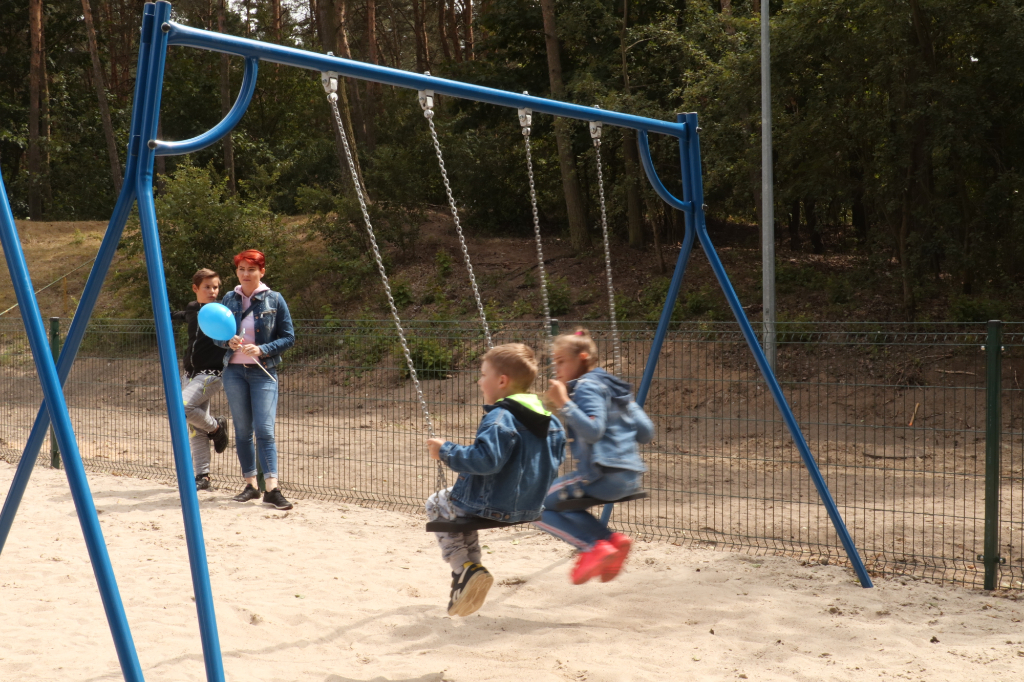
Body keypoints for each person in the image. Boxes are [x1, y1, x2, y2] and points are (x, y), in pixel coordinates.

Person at [426, 343, 566, 617]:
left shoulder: (499, 418)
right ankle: (472, 572)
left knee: (437, 503)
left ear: (502, 381)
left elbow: (485, 461)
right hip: (531, 506)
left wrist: (445, 450)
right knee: (458, 511)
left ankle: (464, 569)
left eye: (483, 374)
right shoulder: (550, 419)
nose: (480, 381)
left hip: (493, 504)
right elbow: (556, 459)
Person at [535, 328, 654, 585]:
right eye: (554, 363)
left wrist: (565, 403)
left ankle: (592, 546)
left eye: (561, 361)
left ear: (583, 357)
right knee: (565, 503)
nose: (556, 369)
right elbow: (646, 432)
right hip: (630, 476)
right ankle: (612, 542)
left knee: (536, 505)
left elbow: (593, 430)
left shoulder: (586, 387)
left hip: (602, 475)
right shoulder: (615, 388)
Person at [217, 249, 296, 511]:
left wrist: (262, 349)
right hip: (233, 372)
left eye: (251, 269)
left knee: (265, 430)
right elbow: (216, 335)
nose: (246, 274)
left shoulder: (275, 298)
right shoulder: (229, 298)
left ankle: (272, 490)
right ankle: (250, 485)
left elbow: (289, 337)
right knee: (242, 431)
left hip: (263, 373)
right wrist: (227, 341)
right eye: (241, 269)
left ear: (262, 271)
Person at [171, 268, 230, 491]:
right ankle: (202, 476)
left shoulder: (223, 311)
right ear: (195, 288)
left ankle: (216, 427)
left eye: (216, 287)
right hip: (190, 374)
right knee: (196, 427)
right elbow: (182, 315)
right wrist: (164, 313)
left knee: (182, 407)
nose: (212, 291)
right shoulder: (193, 308)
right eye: (207, 287)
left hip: (211, 374)